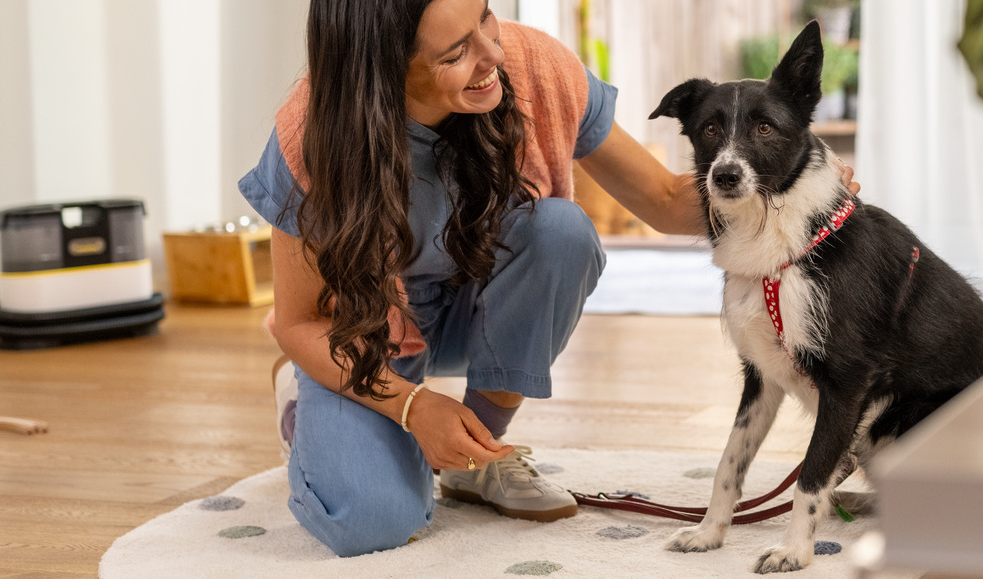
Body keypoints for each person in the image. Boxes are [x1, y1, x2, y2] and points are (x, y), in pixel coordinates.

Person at [239, 0, 858, 557]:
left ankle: (478, 457)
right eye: (456, 52)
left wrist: (799, 186)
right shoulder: (311, 131)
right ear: (386, 68)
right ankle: (306, 407)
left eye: (484, 16)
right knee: (370, 522)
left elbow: (669, 201)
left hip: (475, 311)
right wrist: (409, 406)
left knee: (562, 232)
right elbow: (297, 321)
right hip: (364, 333)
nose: (493, 55)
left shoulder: (535, 66)